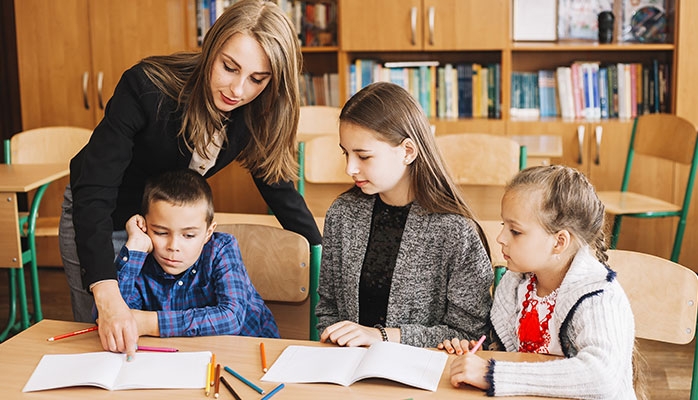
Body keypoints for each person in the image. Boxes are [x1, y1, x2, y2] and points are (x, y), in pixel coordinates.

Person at [59, 0, 319, 358]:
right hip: (104, 215)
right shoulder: (146, 87)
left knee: (168, 344)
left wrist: (321, 252)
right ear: (211, 48)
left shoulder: (257, 109)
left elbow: (277, 187)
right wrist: (106, 293)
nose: (238, 90)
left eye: (258, 79)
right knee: (108, 340)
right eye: (229, 67)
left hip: (171, 225)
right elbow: (95, 190)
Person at [439, 165, 642, 399]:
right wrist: (475, 351)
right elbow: (509, 351)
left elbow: (602, 376)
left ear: (559, 242)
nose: (500, 238)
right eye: (503, 225)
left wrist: (493, 374)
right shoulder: (515, 285)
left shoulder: (599, 297)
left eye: (515, 231)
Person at [316, 82, 493, 348]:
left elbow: (469, 334)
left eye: (363, 156)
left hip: (423, 378)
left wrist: (382, 337)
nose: (350, 168)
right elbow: (328, 309)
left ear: (408, 151)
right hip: (348, 373)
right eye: (346, 153)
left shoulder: (455, 230)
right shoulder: (342, 215)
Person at [112, 169, 278, 340]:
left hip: (249, 351)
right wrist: (135, 247)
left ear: (208, 232)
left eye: (189, 235)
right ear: (144, 226)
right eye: (161, 232)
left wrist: (152, 323)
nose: (173, 246)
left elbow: (231, 318)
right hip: (181, 355)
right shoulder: (141, 256)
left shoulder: (222, 249)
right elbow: (115, 316)